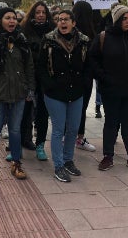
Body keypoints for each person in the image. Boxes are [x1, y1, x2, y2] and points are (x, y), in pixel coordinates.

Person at [90, 3, 128, 171]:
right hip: (111, 89)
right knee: (111, 123)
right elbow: (93, 60)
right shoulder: (104, 37)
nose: (127, 21)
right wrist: (104, 77)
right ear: (116, 20)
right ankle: (108, 156)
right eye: (124, 18)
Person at [0, 7, 35, 181]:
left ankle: (16, 163)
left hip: (18, 92)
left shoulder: (21, 39)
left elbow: (29, 65)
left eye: (14, 18)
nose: (12, 21)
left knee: (15, 130)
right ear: (0, 20)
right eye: (7, 18)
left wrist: (30, 88)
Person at [37, 9, 90, 182]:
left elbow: (87, 66)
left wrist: (83, 84)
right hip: (55, 93)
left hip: (76, 91)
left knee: (73, 129)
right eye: (60, 20)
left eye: (66, 19)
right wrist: (48, 86)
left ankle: (68, 160)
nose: (63, 23)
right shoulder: (48, 40)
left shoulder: (83, 41)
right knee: (59, 130)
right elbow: (41, 67)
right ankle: (58, 165)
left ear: (73, 23)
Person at [20, 1, 55, 159]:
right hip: (28, 78)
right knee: (24, 112)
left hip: (46, 79)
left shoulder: (53, 31)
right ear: (32, 14)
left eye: (43, 12)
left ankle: (40, 144)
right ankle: (21, 142)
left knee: (42, 112)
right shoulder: (24, 30)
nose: (40, 15)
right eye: (37, 12)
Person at [72, 1, 97, 152]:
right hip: (86, 78)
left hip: (72, 77)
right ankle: (79, 137)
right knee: (81, 109)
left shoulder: (69, 32)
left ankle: (68, 136)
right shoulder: (92, 34)